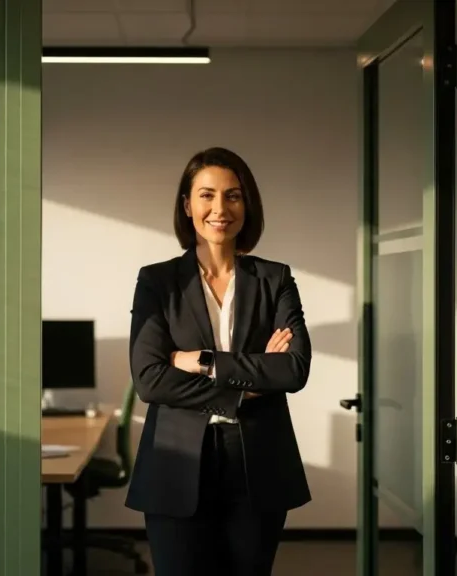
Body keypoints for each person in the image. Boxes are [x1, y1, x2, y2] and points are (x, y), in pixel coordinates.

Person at [126, 147, 312, 576]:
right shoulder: (157, 281)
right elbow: (150, 379)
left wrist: (205, 361)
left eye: (233, 195)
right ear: (187, 205)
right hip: (175, 461)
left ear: (247, 205)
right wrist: (248, 381)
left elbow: (293, 369)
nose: (220, 208)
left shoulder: (274, 279)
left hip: (259, 460)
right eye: (206, 195)